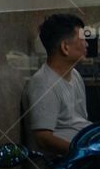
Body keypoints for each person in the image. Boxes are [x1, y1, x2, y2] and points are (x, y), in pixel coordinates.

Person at [23, 13, 92, 155]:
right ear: (65, 47)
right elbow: (43, 138)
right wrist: (81, 152)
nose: (87, 44)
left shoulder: (75, 75)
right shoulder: (43, 84)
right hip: (65, 164)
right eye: (82, 39)